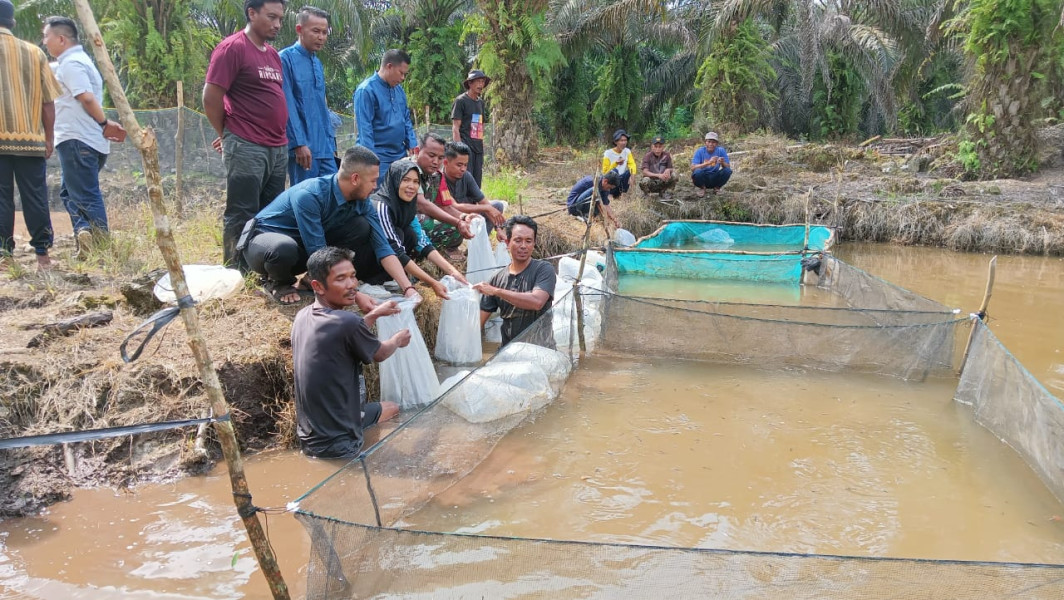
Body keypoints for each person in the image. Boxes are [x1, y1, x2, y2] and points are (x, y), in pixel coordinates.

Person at [243, 145, 420, 305]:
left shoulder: (363, 202)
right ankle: (277, 282)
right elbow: (318, 252)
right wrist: (355, 295)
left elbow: (383, 246)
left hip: (303, 248)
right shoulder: (310, 195)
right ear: (355, 178)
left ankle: (308, 279)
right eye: (373, 181)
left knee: (360, 226)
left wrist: (407, 288)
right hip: (263, 244)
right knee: (283, 249)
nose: (375, 186)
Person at [292, 246, 410, 459]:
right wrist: (398, 339)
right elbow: (380, 353)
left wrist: (374, 314)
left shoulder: (304, 315)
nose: (352, 286)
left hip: (311, 434)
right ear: (318, 286)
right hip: (340, 441)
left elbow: (343, 334)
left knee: (390, 408)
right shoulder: (348, 322)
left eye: (353, 276)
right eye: (341, 279)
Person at [203, 0, 289, 266]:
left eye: (280, 19)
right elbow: (211, 97)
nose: (277, 24)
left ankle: (260, 268)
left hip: (277, 147)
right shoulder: (233, 48)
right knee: (242, 212)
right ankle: (235, 270)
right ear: (252, 13)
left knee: (270, 213)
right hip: (247, 144)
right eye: (271, 17)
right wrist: (228, 134)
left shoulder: (273, 55)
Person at [41, 16, 126, 257]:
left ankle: (101, 249)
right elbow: (45, 70)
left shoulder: (72, 63)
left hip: (79, 141)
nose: (44, 41)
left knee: (86, 194)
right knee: (69, 192)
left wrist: (104, 123)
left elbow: (85, 97)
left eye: (46, 36)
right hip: (83, 141)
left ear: (61, 39)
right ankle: (84, 232)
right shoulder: (73, 62)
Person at [0, 0, 61, 270]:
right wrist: (48, 138)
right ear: (12, 22)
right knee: (35, 195)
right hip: (31, 140)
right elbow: (49, 103)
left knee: (1, 197)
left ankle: (4, 256)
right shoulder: (34, 52)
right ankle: (43, 255)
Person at [370, 159, 467, 299]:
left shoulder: (408, 205)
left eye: (416, 182)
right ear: (395, 180)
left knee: (411, 234)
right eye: (406, 180)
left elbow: (422, 241)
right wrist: (433, 282)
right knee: (399, 234)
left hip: (390, 254)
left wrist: (452, 272)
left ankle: (389, 278)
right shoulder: (381, 206)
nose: (411, 186)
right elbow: (394, 251)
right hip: (368, 257)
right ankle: (373, 281)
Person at [475, 215, 556, 347]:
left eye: (528, 241)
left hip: (541, 351)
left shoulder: (544, 269)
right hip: (509, 352)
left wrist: (497, 291)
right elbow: (478, 323)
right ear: (507, 243)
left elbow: (537, 302)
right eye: (518, 240)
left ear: (534, 243)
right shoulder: (496, 278)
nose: (523, 246)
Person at [280, 6, 336, 185]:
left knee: (332, 196)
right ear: (299, 29)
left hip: (325, 148)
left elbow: (322, 106)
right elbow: (287, 103)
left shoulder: (317, 63)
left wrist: (331, 143)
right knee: (306, 200)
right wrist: (298, 144)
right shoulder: (284, 59)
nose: (321, 37)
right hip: (304, 149)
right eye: (316, 31)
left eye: (325, 32)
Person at [353, 49, 418, 185]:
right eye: (401, 73)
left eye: (405, 74)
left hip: (399, 155)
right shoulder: (366, 90)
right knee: (379, 198)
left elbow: (406, 118)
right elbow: (365, 130)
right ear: (389, 66)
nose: (402, 78)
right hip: (378, 156)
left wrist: (412, 142)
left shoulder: (399, 91)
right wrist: (371, 162)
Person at [412, 132, 472, 250]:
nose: (436, 162)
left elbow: (446, 207)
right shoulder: (408, 169)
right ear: (417, 151)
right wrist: (458, 222)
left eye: (440, 158)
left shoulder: (437, 176)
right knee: (426, 222)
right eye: (431, 155)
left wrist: (464, 217)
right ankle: (417, 250)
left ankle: (429, 249)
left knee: (457, 229)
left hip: (422, 221)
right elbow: (422, 205)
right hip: (403, 223)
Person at [443, 142, 506, 232]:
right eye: (459, 165)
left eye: (465, 165)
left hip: (469, 213)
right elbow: (455, 207)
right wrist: (487, 208)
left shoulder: (466, 176)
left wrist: (498, 228)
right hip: (452, 216)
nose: (463, 169)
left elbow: (484, 202)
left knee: (497, 206)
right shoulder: (439, 179)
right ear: (446, 163)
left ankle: (479, 244)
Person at [450, 69, 489, 187]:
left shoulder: (480, 103)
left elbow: (480, 125)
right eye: (478, 82)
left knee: (477, 181)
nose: (480, 85)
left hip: (478, 148)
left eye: (482, 82)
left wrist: (482, 144)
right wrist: (459, 149)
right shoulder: (461, 101)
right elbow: (455, 127)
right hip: (466, 147)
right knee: (465, 179)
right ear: (470, 84)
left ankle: (476, 203)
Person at [691, 131, 731, 197]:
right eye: (709, 141)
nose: (711, 144)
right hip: (703, 177)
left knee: (727, 171)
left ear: (717, 143)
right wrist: (708, 163)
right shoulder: (700, 151)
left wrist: (722, 162)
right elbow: (692, 168)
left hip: (714, 177)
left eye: (713, 142)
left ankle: (717, 188)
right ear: (705, 142)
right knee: (697, 172)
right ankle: (702, 188)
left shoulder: (721, 150)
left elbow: (728, 167)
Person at [601, 129, 636, 199]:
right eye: (621, 140)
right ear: (615, 142)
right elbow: (605, 172)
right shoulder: (608, 153)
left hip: (621, 180)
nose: (624, 143)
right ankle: (610, 194)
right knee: (615, 172)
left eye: (625, 140)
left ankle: (622, 194)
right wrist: (615, 164)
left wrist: (633, 176)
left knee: (628, 172)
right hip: (610, 182)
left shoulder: (627, 151)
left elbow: (632, 164)